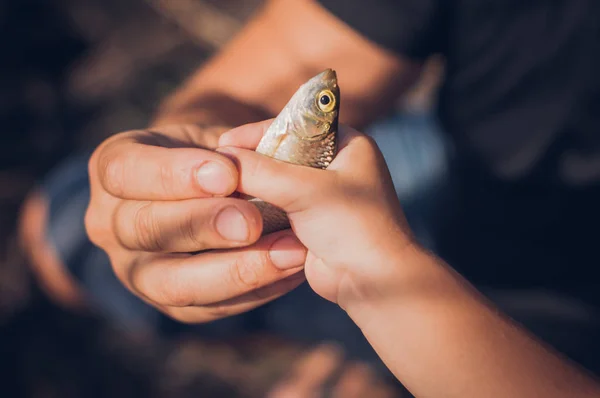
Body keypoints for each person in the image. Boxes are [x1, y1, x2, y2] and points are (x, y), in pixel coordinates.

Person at [19, 0, 600, 379]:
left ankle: (367, 365)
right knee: (61, 227)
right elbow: (303, 54)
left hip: (541, 326)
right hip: (462, 181)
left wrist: (377, 278)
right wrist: (182, 156)